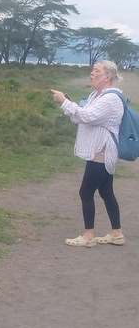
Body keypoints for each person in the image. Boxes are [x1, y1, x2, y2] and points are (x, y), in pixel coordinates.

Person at [51, 60, 125, 248]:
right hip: (97, 150)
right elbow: (82, 115)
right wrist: (70, 106)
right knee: (106, 191)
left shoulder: (111, 98)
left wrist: (65, 102)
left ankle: (88, 236)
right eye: (92, 69)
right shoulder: (96, 95)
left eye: (96, 70)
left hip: (102, 151)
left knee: (86, 191)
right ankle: (117, 234)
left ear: (107, 77)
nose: (91, 73)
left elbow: (87, 116)